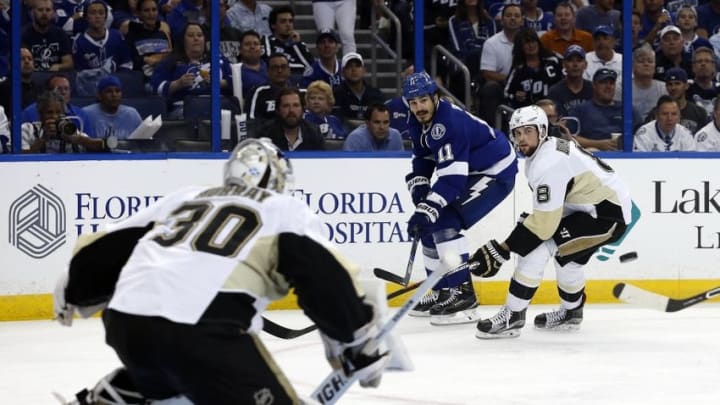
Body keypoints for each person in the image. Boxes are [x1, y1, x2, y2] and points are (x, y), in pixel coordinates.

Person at [53, 137, 389, 403]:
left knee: (177, 378)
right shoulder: (282, 208)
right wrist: (355, 337)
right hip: (204, 331)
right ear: (278, 177)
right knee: (198, 367)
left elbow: (109, 244)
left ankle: (127, 393)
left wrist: (73, 290)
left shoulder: (188, 197)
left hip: (126, 323)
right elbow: (323, 274)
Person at [469, 105, 632, 338]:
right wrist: (519, 237)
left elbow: (544, 228)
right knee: (569, 259)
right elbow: (548, 214)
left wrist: (503, 249)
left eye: (528, 131)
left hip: (606, 216)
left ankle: (513, 315)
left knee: (539, 247)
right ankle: (571, 313)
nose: (522, 138)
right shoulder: (547, 150)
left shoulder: (548, 163)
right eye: (517, 133)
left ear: (542, 131)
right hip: (592, 206)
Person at [402, 72, 518, 325]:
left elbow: (452, 180)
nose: (419, 107)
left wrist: (427, 209)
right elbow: (423, 158)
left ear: (435, 97)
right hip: (471, 168)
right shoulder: (416, 121)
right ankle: (441, 290)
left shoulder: (449, 123)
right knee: (431, 223)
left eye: (423, 100)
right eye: (413, 102)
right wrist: (421, 191)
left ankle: (463, 294)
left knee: (443, 219)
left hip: (495, 170)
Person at [150, 22, 233, 119]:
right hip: (184, 108)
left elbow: (238, 80)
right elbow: (155, 88)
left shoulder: (218, 59)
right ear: (183, 40)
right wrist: (177, 84)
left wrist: (219, 83)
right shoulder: (170, 61)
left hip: (219, 105)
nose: (196, 38)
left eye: (199, 35)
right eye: (190, 35)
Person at [567, 68, 639, 151]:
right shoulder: (580, 109)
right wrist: (598, 144)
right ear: (594, 85)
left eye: (611, 83)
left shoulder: (627, 109)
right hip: (591, 155)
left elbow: (642, 135)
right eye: (603, 83)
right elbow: (568, 137)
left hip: (624, 155)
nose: (608, 87)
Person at [477, 3, 522, 123]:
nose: (513, 18)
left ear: (522, 20)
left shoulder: (529, 41)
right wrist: (512, 81)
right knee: (490, 88)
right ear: (501, 20)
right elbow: (487, 73)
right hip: (502, 85)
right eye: (508, 15)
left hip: (526, 84)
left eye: (517, 16)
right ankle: (492, 132)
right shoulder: (491, 43)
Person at [22, 91, 106, 153]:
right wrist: (43, 139)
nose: (54, 117)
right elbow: (19, 160)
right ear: (40, 115)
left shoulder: (72, 131)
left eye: (58, 112)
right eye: (49, 112)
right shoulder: (28, 130)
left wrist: (78, 140)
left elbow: (102, 147)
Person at [22, 73, 98, 138]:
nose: (64, 92)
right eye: (59, 89)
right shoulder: (29, 113)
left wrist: (77, 139)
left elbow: (90, 143)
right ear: (49, 91)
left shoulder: (80, 114)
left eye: (66, 89)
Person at [503, 27, 563, 109]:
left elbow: (567, 79)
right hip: (529, 112)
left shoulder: (553, 60)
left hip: (556, 108)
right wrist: (516, 96)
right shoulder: (518, 70)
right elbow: (507, 93)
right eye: (526, 43)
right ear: (520, 47)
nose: (531, 46)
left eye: (533, 41)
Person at [257, 87, 325, 151]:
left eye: (296, 105)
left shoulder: (314, 133)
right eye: (286, 106)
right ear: (278, 110)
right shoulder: (265, 134)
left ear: (303, 109)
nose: (291, 110)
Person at [644, 68, 708, 135]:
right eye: (670, 84)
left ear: (686, 86)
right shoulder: (656, 113)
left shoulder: (699, 113)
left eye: (677, 83)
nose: (673, 88)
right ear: (666, 87)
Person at [123, 0, 173, 80]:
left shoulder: (163, 34)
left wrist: (155, 59)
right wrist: (145, 59)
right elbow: (131, 61)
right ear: (139, 14)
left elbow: (170, 56)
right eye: (146, 10)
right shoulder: (132, 36)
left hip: (166, 77)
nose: (151, 14)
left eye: (154, 10)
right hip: (143, 80)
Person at [83, 75, 143, 140]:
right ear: (99, 95)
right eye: (109, 91)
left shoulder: (132, 114)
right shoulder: (86, 114)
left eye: (117, 91)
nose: (114, 95)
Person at [332, 52, 386, 124]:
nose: (354, 69)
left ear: (364, 70)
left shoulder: (377, 94)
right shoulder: (336, 94)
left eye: (357, 66)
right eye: (349, 66)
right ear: (342, 72)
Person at [21, 0, 74, 71]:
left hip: (56, 76)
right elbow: (21, 63)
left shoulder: (60, 33)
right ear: (32, 13)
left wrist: (59, 66)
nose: (44, 13)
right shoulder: (23, 34)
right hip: (32, 76)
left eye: (48, 10)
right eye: (40, 10)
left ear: (53, 13)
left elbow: (69, 63)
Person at [262, 6, 314, 77]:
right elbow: (267, 63)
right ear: (273, 25)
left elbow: (310, 67)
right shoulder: (266, 41)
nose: (288, 25)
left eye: (290, 21)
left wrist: (297, 44)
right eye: (283, 21)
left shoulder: (300, 45)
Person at [548, 45, 593, 117]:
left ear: (585, 65)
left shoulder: (593, 89)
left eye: (579, 60)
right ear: (564, 64)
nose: (575, 64)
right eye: (570, 60)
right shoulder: (555, 91)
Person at [0, 47, 42, 115]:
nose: (27, 61)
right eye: (21, 59)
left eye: (30, 59)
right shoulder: (3, 89)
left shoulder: (40, 88)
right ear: (10, 65)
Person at [631, 46, 667, 122]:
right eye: (641, 61)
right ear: (632, 65)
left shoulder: (663, 88)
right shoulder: (623, 87)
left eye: (650, 61)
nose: (646, 64)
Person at [687, 47, 720, 117]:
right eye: (699, 61)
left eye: (707, 61)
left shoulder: (719, 88)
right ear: (693, 67)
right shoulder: (686, 88)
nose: (703, 64)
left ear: (713, 66)